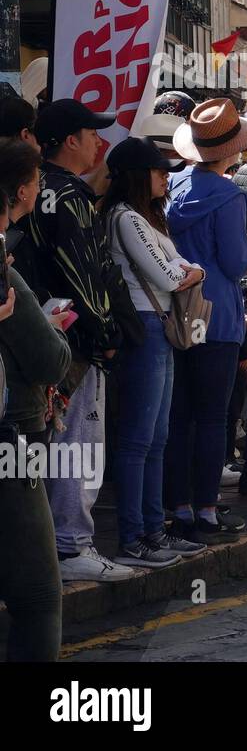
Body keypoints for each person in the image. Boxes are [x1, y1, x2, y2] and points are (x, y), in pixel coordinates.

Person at [28, 99, 131, 582]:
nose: (98, 142)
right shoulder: (70, 196)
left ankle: (51, 545)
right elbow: (84, 272)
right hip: (73, 340)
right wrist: (105, 333)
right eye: (92, 134)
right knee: (78, 441)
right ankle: (72, 546)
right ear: (70, 140)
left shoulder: (30, 188)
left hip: (33, 335)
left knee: (46, 442)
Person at [103, 138, 210, 567]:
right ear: (137, 175)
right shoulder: (125, 218)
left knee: (157, 439)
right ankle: (134, 537)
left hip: (159, 328)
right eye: (159, 171)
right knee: (137, 440)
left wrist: (190, 270)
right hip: (145, 328)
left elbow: (181, 267)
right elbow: (171, 275)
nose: (167, 177)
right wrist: (193, 271)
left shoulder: (147, 218)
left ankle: (154, 530)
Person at [167, 99, 247, 538]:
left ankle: (179, 508)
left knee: (178, 416)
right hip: (218, 316)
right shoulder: (228, 194)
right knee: (211, 418)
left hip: (174, 312)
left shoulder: (172, 185)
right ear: (233, 150)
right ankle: (206, 509)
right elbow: (233, 262)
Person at [0, 139, 68, 661]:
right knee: (38, 593)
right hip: (13, 437)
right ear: (21, 190)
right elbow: (49, 359)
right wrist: (50, 330)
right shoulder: (4, 268)